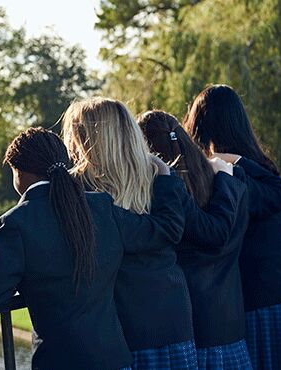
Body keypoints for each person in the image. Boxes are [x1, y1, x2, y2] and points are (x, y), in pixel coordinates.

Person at [0, 127, 187, 370]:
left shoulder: (17, 222)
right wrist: (166, 177)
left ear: (19, 172)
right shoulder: (101, 206)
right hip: (115, 359)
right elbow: (162, 230)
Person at [62, 97, 197, 369]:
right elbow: (174, 230)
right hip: (170, 312)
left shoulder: (77, 188)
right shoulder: (159, 176)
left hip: (125, 325)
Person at [184, 84, 281, 368]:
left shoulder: (229, 177)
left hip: (264, 306)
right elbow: (278, 194)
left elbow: (278, 196)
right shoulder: (257, 169)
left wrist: (230, 162)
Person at [139, 110, 252, 369]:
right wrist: (226, 171)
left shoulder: (167, 194)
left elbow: (214, 233)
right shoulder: (228, 183)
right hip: (231, 323)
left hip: (194, 326)